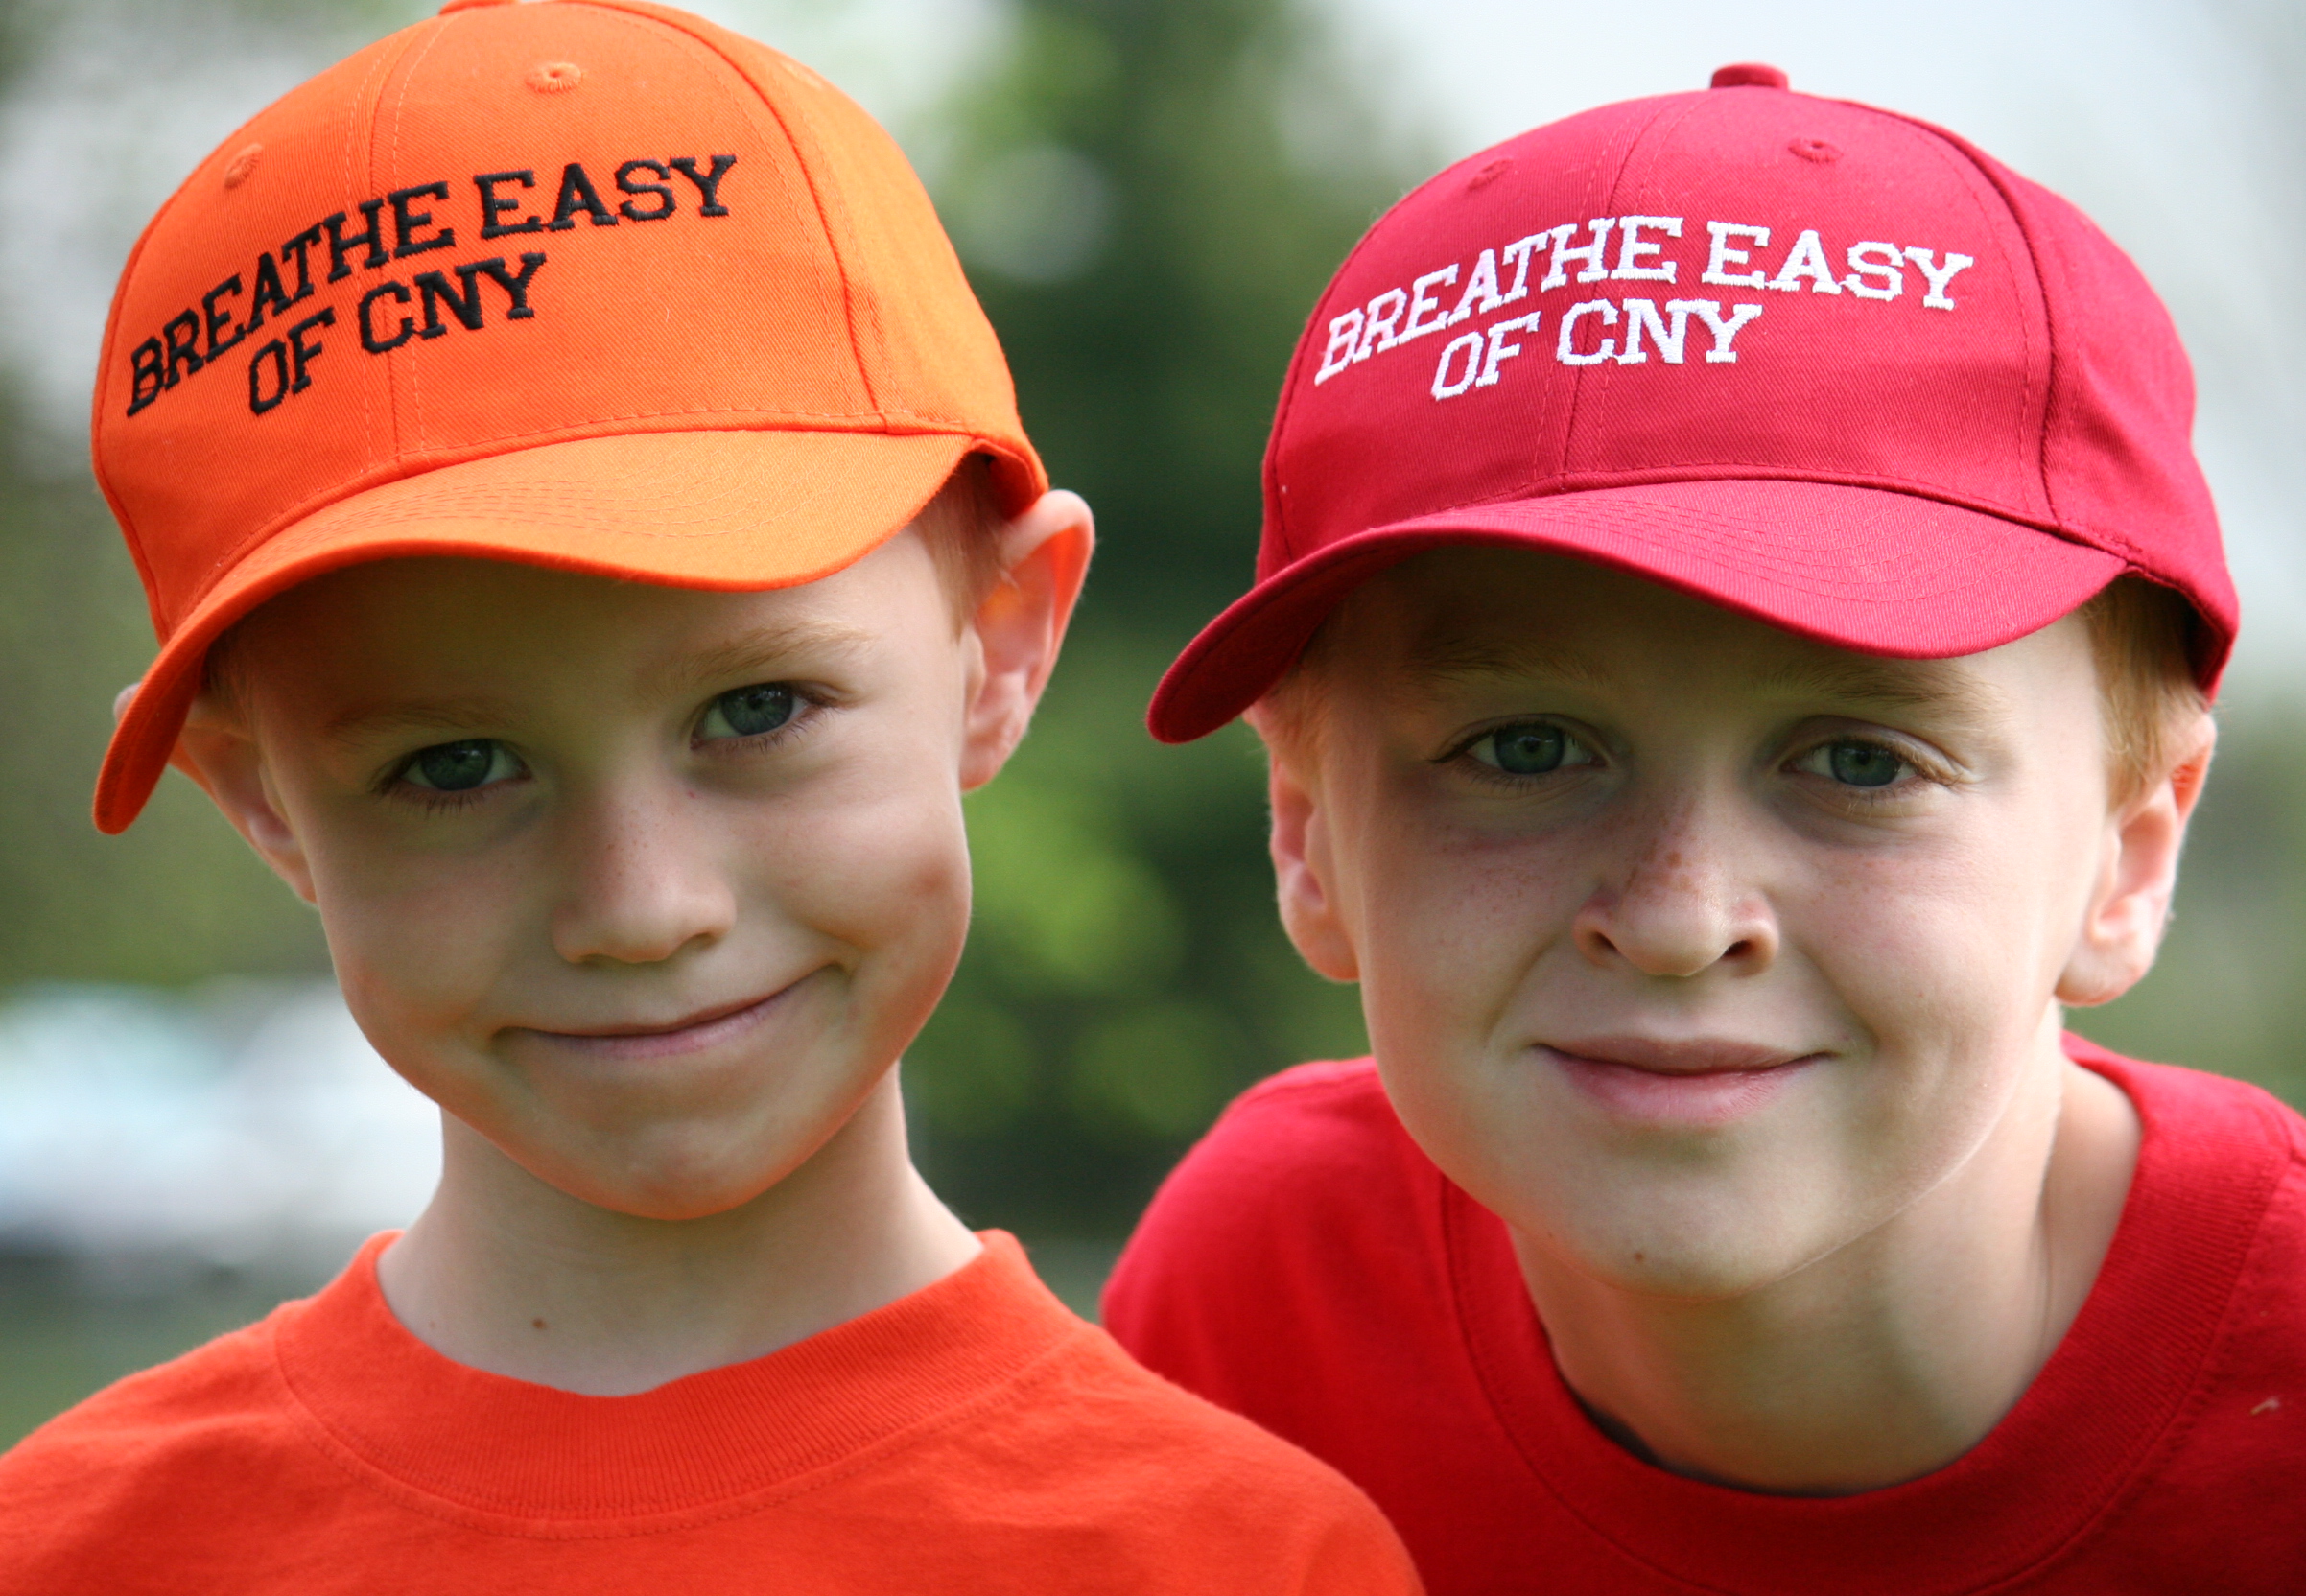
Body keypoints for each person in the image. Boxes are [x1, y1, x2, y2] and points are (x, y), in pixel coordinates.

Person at [0, 3, 1421, 1590]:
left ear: (1000, 648)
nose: (641, 905)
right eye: (450, 767)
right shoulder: (70, 1551)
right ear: (259, 802)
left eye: (757, 709)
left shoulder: (1238, 1560)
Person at [1104, 62, 2306, 1593]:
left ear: (2127, 855)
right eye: (1524, 749)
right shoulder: (1267, 1303)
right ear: (1309, 839)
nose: (1676, 912)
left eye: (1859, 762)